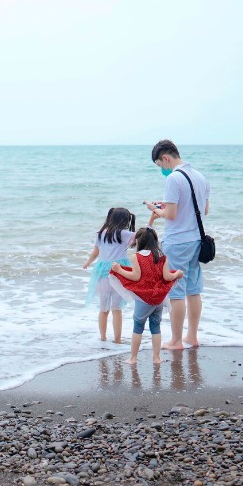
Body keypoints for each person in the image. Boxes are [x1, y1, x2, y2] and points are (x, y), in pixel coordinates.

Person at [144, 139, 210, 350]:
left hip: (177, 242)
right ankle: (192, 337)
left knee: (176, 292)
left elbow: (171, 214)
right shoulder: (200, 176)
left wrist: (156, 210)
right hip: (197, 240)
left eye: (160, 165)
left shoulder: (174, 178)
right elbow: (204, 209)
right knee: (193, 290)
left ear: (165, 158)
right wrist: (166, 206)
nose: (161, 170)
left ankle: (176, 341)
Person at [109, 227, 183, 364]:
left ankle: (133, 358)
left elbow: (135, 276)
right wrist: (177, 274)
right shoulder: (162, 257)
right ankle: (156, 358)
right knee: (156, 328)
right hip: (159, 299)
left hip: (144, 299)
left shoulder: (136, 257)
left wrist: (119, 270)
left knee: (138, 328)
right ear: (155, 241)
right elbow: (167, 277)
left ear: (138, 241)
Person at [82, 207, 136, 343]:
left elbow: (96, 252)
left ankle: (103, 338)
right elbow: (142, 238)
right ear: (125, 220)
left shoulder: (100, 234)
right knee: (117, 309)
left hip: (102, 271)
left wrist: (88, 262)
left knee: (103, 308)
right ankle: (117, 340)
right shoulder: (125, 234)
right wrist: (151, 221)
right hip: (119, 270)